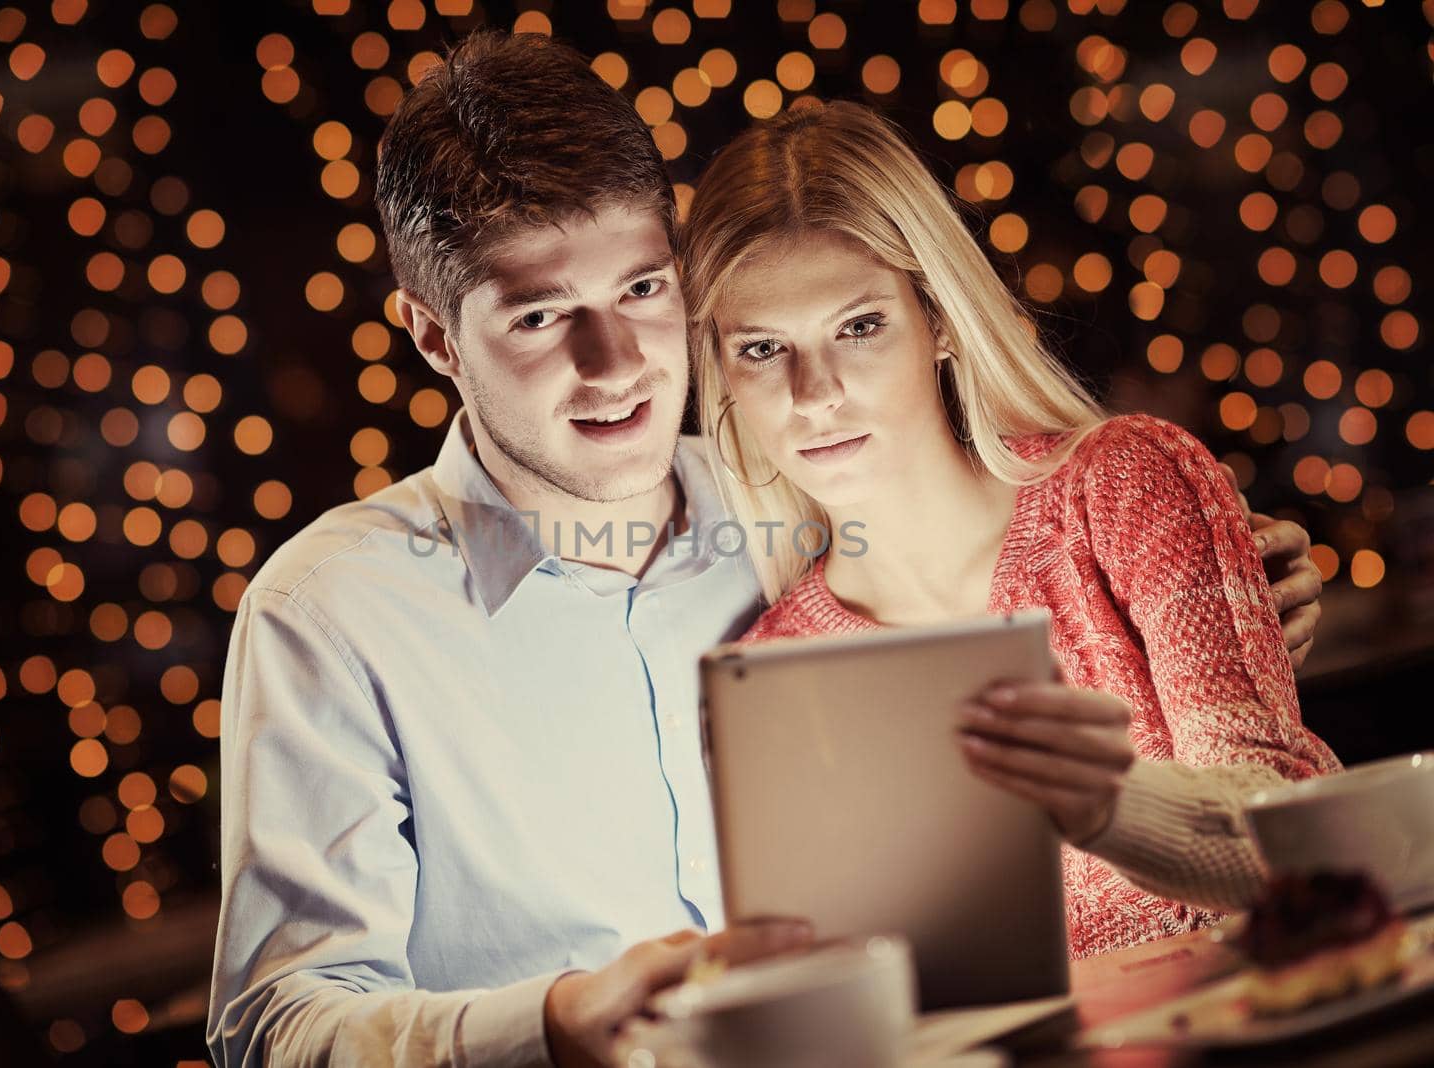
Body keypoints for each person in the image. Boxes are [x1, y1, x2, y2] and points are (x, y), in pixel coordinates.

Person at [208, 33, 1324, 1068]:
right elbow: (272, 1024)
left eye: (641, 291)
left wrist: (1210, 577)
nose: (614, 365)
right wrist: (552, 1021)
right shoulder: (332, 610)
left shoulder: (788, 511)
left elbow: (1077, 601)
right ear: (433, 335)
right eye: (540, 318)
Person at [679, 100, 1343, 960]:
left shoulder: (1121, 489)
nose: (815, 393)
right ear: (723, 372)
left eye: (860, 326)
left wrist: (1108, 805)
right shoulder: (776, 675)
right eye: (763, 349)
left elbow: (1290, 831)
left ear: (941, 322)